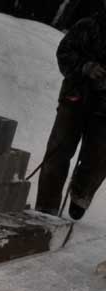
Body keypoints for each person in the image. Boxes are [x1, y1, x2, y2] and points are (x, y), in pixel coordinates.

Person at [36, 7, 106, 221]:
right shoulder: (87, 26)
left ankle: (80, 195)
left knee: (98, 159)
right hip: (75, 98)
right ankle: (45, 208)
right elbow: (64, 53)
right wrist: (86, 67)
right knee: (58, 152)